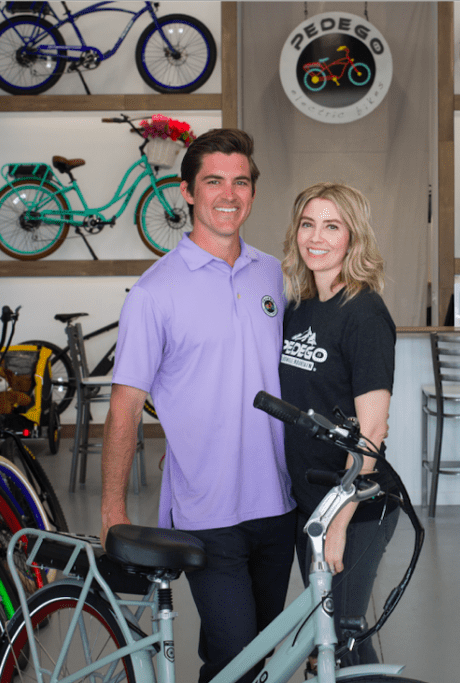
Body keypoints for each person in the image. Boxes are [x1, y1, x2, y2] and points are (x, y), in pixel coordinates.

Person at [102, 128, 296, 683]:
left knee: (262, 650)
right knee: (238, 655)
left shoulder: (273, 276)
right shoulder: (153, 293)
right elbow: (125, 407)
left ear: (253, 193)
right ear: (187, 192)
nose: (228, 194)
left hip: (277, 501)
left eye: (240, 182)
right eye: (214, 181)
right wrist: (112, 511)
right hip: (207, 509)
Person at [278, 182, 399, 666]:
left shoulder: (364, 313)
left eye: (332, 226)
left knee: (342, 634)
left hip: (356, 506)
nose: (316, 237)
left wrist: (337, 523)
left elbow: (372, 433)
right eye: (308, 224)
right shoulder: (299, 305)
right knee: (324, 631)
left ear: (354, 238)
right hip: (309, 499)